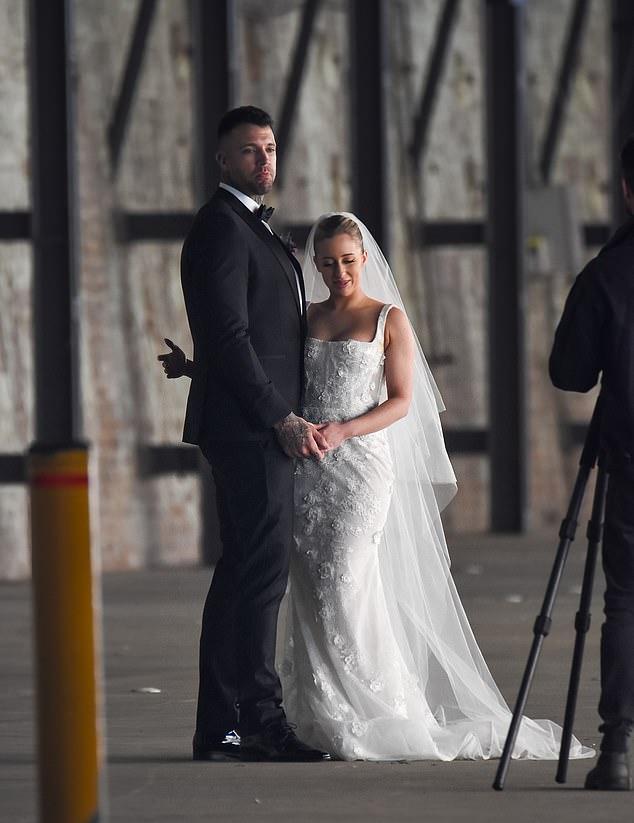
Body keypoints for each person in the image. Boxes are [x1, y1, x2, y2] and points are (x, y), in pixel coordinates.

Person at [162, 211, 594, 763]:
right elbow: (267, 370)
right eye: (326, 262)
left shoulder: (389, 318)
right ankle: (318, 713)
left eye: (347, 260)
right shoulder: (308, 315)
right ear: (315, 265)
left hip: (359, 467)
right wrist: (196, 370)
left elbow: (402, 401)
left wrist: (343, 428)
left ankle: (378, 710)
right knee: (310, 590)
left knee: (347, 581)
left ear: (364, 258)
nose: (339, 271)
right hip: (308, 466)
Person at [177, 104, 330, 763]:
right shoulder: (220, 228)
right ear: (222, 160)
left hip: (251, 423)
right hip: (251, 429)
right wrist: (281, 415)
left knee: (243, 571)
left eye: (269, 148)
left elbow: (246, 334)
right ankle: (259, 718)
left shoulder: (251, 229)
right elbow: (231, 337)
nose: (264, 160)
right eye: (249, 151)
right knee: (261, 573)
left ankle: (222, 724)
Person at [549, 134, 634, 791]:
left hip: (629, 453)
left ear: (628, 191)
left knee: (625, 602)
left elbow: (571, 373)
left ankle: (616, 751)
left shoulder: (607, 274)